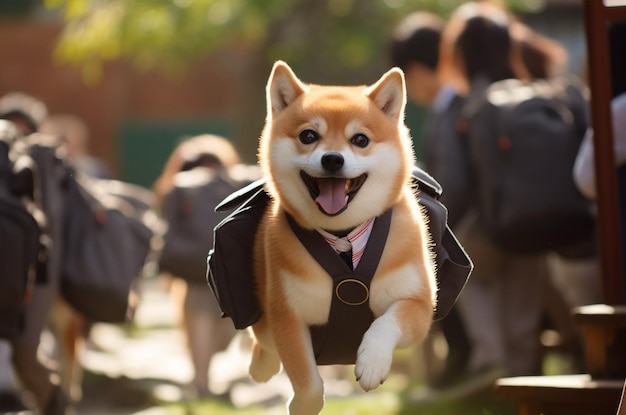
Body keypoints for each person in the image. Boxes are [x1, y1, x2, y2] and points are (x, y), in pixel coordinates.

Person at [434, 1, 555, 387]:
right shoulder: (535, 95)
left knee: (461, 271)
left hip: (489, 225)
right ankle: (523, 379)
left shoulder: (465, 106)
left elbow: (453, 179)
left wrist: (438, 229)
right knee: (522, 302)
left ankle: (491, 359)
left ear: (461, 53)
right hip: (538, 222)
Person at [389, 10, 471, 389]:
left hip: (465, 224)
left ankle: (460, 360)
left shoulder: (452, 108)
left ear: (417, 72)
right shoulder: (454, 105)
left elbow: (454, 180)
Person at [153, 134, 243, 399]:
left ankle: (200, 381)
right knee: (226, 323)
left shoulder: (177, 185)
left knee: (196, 312)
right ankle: (204, 376)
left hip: (193, 267)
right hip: (230, 267)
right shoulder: (236, 182)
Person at [0, 92, 74, 414]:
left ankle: (56, 406)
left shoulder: (43, 160)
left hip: (31, 280)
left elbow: (53, 229)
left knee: (26, 357)